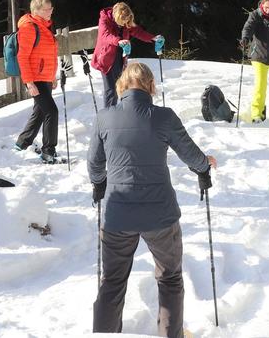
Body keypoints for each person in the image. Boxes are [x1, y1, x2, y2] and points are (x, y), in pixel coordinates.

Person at [88, 62, 217, 338]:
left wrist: (99, 184)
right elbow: (191, 155)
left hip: (117, 216)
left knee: (111, 282)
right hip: (159, 215)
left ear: (121, 85)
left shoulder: (104, 117)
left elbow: (94, 165)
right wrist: (205, 167)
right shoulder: (164, 117)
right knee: (170, 279)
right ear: (150, 87)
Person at [13, 0, 62, 163]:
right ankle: (48, 151)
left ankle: (22, 142)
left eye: (51, 8)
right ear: (36, 11)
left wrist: (52, 76)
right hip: (35, 78)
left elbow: (48, 55)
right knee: (51, 111)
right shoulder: (29, 28)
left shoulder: (44, 27)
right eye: (47, 9)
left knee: (40, 111)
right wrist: (29, 82)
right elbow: (22, 57)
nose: (51, 12)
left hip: (45, 77)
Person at [92, 2, 162, 109]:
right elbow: (105, 36)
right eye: (122, 22)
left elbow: (137, 31)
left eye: (126, 22)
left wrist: (152, 38)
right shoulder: (104, 18)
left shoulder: (126, 21)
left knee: (123, 86)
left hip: (120, 56)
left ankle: (123, 112)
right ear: (116, 17)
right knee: (111, 89)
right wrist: (119, 41)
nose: (124, 24)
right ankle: (108, 116)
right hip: (106, 58)